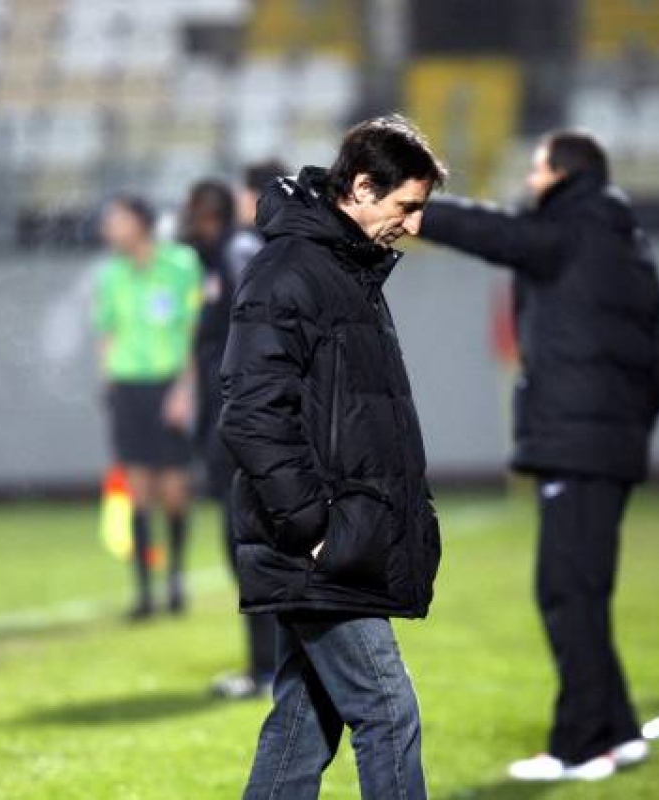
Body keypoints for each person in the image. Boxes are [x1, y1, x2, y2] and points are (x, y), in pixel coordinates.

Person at [417, 131, 659, 782]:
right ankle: (619, 730)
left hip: (578, 445)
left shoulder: (570, 228)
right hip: (609, 444)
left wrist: (417, 209)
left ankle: (579, 746)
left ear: (563, 175)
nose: (531, 182)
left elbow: (496, 234)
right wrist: (627, 424)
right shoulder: (625, 240)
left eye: (537, 171)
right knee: (584, 592)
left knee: (565, 594)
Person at [219, 115, 446, 800]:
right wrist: (314, 529)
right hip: (321, 547)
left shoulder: (345, 269)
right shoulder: (290, 271)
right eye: (407, 205)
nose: (413, 224)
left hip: (341, 539)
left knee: (304, 722)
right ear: (362, 187)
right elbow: (253, 413)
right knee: (386, 711)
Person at [183, 170, 284, 699]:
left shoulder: (240, 250)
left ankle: (272, 669)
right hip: (231, 417)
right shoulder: (218, 256)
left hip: (242, 420)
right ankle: (267, 666)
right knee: (244, 545)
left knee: (251, 544)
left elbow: (259, 328)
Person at [94, 193, 202, 620]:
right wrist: (107, 384)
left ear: (140, 223)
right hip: (128, 387)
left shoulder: (181, 265)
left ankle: (175, 577)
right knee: (136, 490)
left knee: (174, 491)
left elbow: (194, 332)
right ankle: (143, 593)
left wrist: (185, 389)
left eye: (116, 219)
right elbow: (107, 332)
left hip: (168, 385)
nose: (108, 228)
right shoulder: (111, 275)